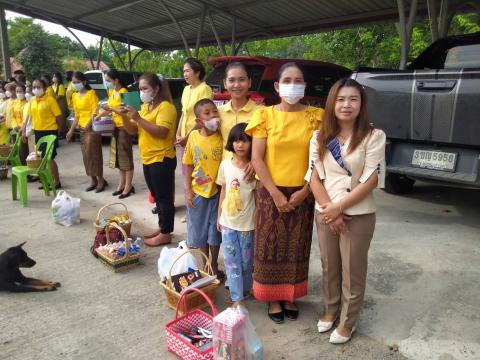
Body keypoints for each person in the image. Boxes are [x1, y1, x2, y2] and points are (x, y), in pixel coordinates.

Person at [306, 78, 386, 344]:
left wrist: (339, 208)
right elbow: (314, 176)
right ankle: (330, 310)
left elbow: (371, 179)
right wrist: (331, 211)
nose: (346, 104)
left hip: (358, 214)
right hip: (325, 210)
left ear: (361, 104)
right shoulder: (319, 136)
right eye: (340, 99)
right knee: (329, 265)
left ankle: (347, 321)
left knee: (353, 270)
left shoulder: (373, 136)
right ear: (331, 103)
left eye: (353, 99)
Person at [245, 62, 324, 323]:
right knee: (270, 246)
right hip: (271, 191)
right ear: (277, 86)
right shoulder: (264, 115)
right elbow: (257, 158)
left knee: (297, 246)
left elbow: (319, 158)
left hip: (305, 189)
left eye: (298, 80)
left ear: (304, 85)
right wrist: (276, 194)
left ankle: (291, 295)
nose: (293, 84)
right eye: (287, 80)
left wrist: (304, 191)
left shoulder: (317, 116)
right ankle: (272, 299)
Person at [120, 73, 177, 246]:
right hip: (148, 158)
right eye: (140, 89)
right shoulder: (146, 107)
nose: (141, 92)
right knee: (158, 198)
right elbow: (132, 131)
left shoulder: (166, 107)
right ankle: (163, 227)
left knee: (164, 197)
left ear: (156, 88)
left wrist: (137, 118)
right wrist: (123, 115)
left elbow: (162, 132)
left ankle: (166, 233)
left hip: (162, 158)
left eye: (145, 88)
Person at [216, 123, 256, 308]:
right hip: (228, 223)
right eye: (236, 140)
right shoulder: (225, 164)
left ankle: (246, 289)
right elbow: (223, 191)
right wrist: (219, 216)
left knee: (247, 262)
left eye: (245, 140)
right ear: (231, 143)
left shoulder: (255, 168)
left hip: (248, 224)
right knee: (232, 261)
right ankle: (237, 297)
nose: (240, 145)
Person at [183, 98, 223, 277]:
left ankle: (213, 263)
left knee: (215, 231)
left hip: (218, 194)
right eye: (207, 113)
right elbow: (188, 163)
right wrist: (188, 190)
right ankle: (204, 262)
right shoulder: (193, 137)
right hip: (198, 193)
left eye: (214, 111)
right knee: (199, 232)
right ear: (199, 121)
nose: (213, 115)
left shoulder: (222, 137)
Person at [176, 58, 213, 220]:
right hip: (185, 137)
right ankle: (189, 204)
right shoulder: (186, 90)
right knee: (186, 172)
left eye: (188, 71)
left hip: (196, 136)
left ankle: (196, 206)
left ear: (197, 72)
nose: (185, 74)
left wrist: (187, 135)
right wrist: (178, 133)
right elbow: (184, 113)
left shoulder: (204, 89)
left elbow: (203, 116)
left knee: (197, 172)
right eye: (184, 71)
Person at [96, 69, 134, 198]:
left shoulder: (124, 92)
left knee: (126, 157)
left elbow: (126, 112)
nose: (107, 83)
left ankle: (128, 186)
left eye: (108, 80)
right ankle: (122, 184)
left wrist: (111, 109)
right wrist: (100, 115)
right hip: (115, 127)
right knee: (118, 158)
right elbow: (109, 109)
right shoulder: (112, 92)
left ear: (116, 80)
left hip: (124, 127)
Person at [66, 72, 106, 192]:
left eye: (78, 82)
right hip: (82, 129)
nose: (76, 84)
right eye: (74, 82)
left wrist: (88, 125)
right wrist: (71, 131)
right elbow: (77, 115)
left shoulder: (91, 93)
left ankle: (101, 180)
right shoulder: (74, 96)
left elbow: (95, 111)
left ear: (84, 82)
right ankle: (93, 179)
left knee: (94, 155)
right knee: (86, 156)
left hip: (92, 128)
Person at [29, 79, 62, 188]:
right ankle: (48, 180)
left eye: (38, 87)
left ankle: (57, 182)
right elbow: (29, 116)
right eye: (34, 87)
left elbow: (58, 116)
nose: (36, 89)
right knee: (42, 157)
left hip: (50, 131)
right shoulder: (32, 100)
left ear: (44, 88)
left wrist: (58, 130)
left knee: (49, 158)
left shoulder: (50, 100)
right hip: (38, 131)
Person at [11, 84, 29, 164]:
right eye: (17, 91)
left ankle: (27, 167)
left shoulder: (28, 102)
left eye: (20, 91)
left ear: (25, 92)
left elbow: (27, 117)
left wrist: (21, 127)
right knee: (17, 150)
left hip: (24, 129)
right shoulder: (15, 102)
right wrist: (15, 126)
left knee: (24, 150)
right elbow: (12, 116)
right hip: (16, 129)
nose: (18, 93)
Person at [52, 72, 68, 137]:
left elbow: (60, 96)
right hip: (57, 104)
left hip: (61, 104)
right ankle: (60, 131)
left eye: (54, 77)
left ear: (58, 78)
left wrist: (52, 101)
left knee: (62, 119)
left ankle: (63, 133)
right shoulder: (55, 85)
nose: (53, 78)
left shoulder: (61, 86)